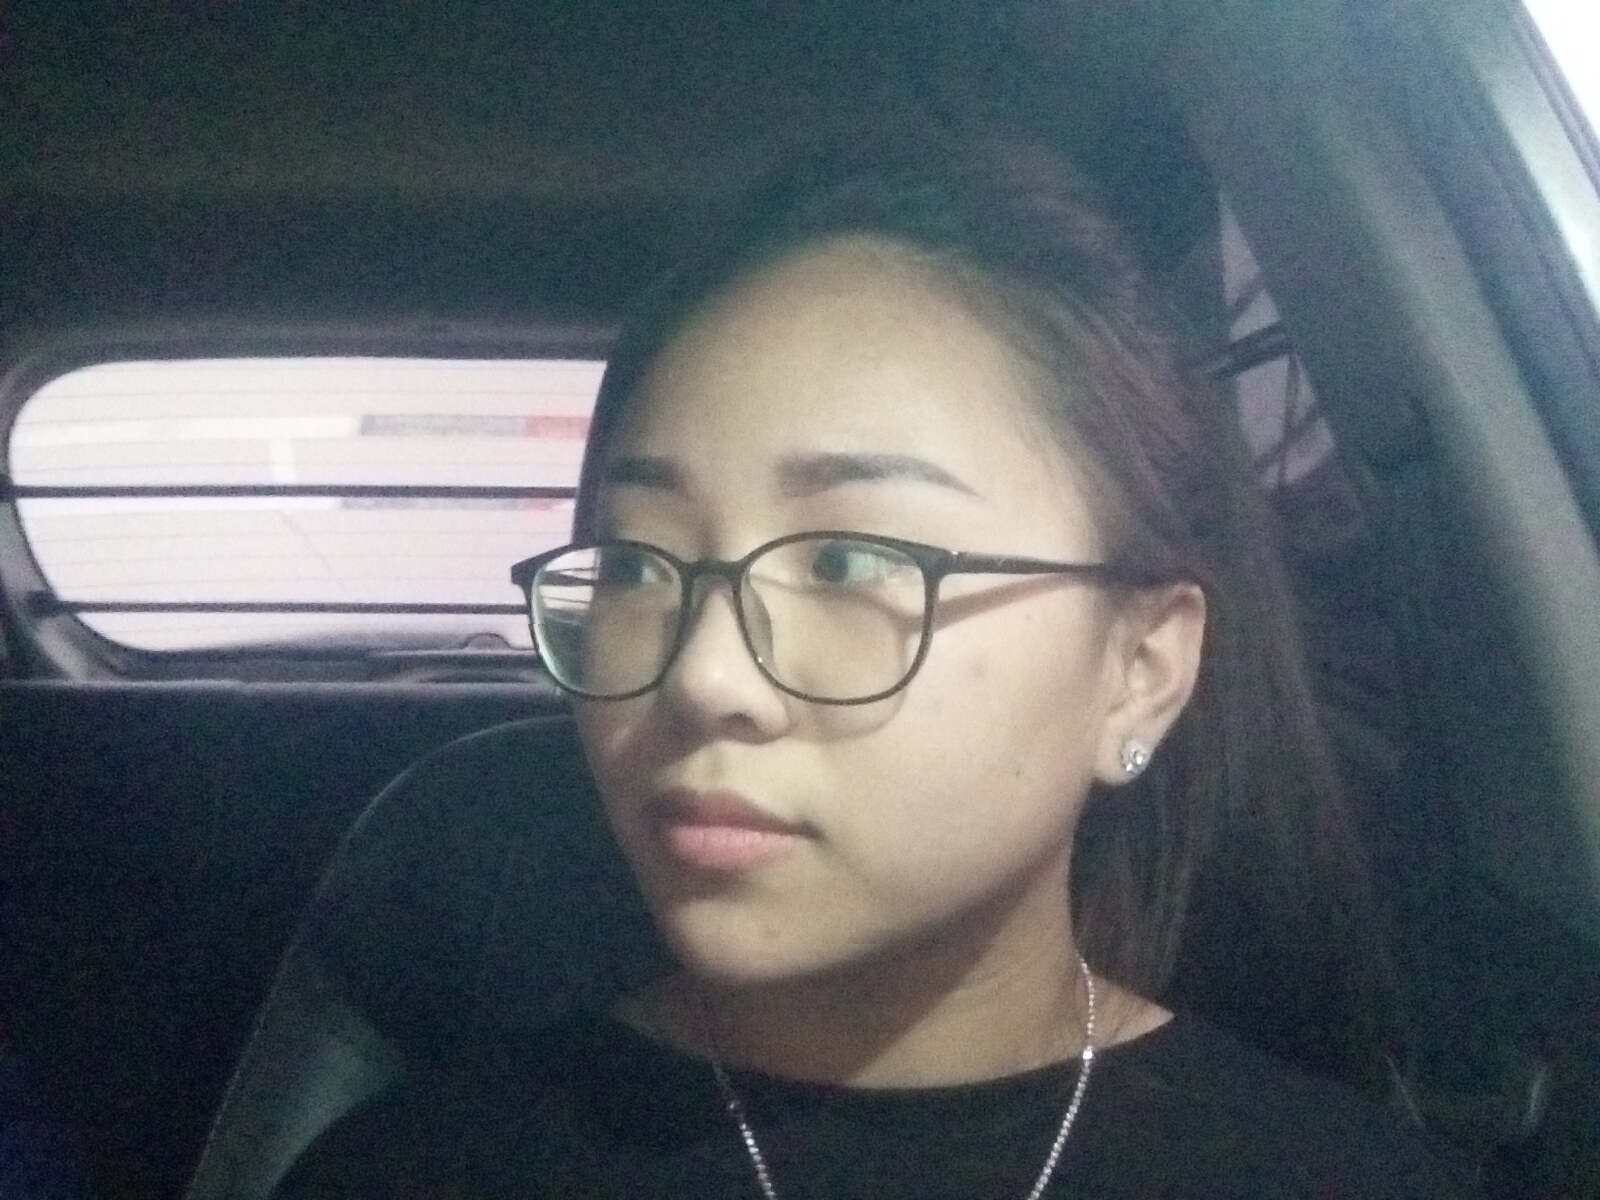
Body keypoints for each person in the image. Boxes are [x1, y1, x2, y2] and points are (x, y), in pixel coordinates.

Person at [281, 136, 1478, 1197]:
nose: (704, 678)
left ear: (1141, 665)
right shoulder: (412, 1174)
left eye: (847, 562)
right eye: (640, 565)